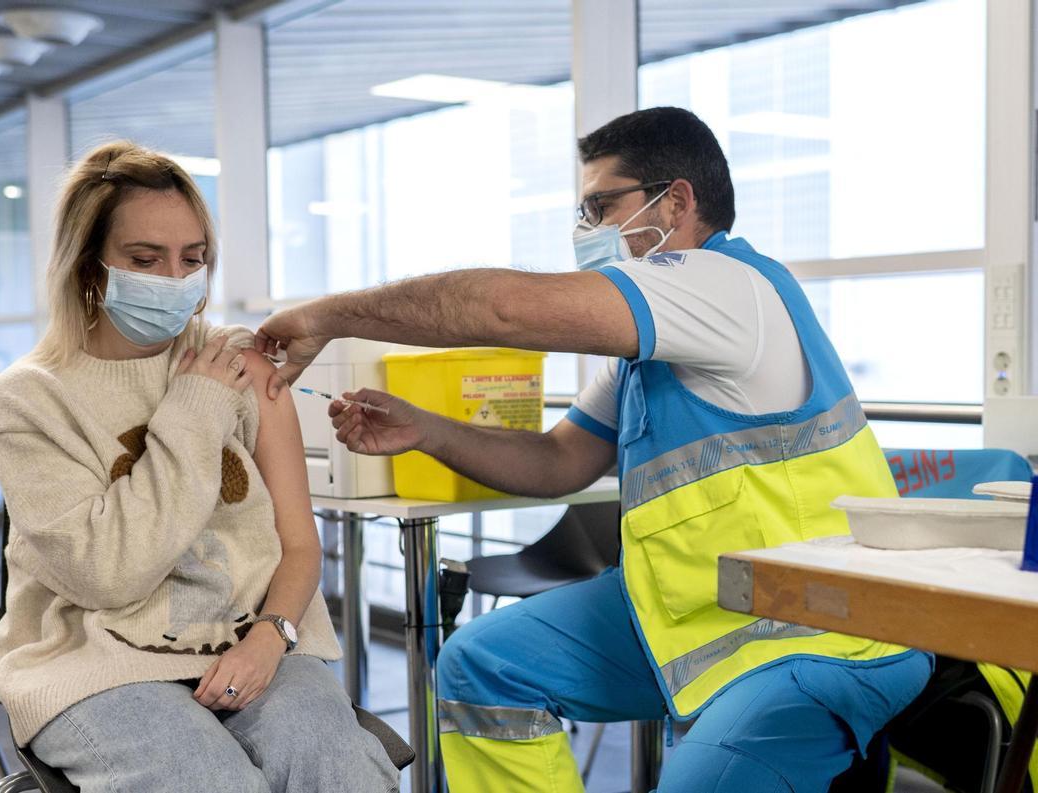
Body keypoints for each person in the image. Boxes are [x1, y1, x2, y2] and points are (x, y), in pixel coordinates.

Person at [255, 107, 933, 793]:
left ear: (677, 200)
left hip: (817, 637)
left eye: (601, 206)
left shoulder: (725, 288)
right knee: (484, 666)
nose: (587, 232)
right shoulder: (648, 352)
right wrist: (426, 430)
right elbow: (558, 462)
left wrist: (329, 316)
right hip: (697, 618)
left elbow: (505, 309)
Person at [0, 141, 399, 793]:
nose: (175, 279)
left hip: (253, 637)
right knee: (209, 782)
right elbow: (108, 573)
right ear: (89, 266)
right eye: (145, 259)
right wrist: (195, 408)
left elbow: (297, 543)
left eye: (193, 258)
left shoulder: (243, 362)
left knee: (340, 767)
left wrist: (271, 635)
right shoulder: (30, 396)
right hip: (92, 655)